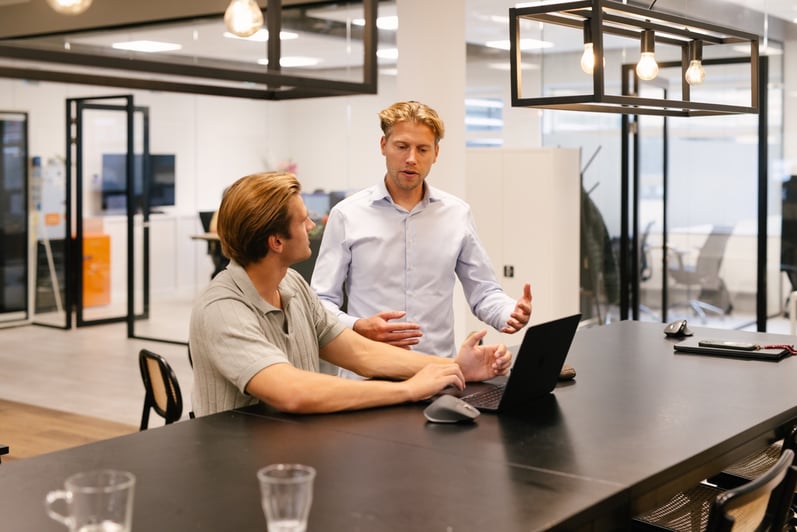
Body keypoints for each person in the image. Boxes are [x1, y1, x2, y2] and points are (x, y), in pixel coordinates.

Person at [189, 171, 511, 416]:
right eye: (303, 221)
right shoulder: (222, 308)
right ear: (276, 241)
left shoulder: (292, 288)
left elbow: (362, 354)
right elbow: (291, 391)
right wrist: (409, 390)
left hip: (289, 455)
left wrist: (451, 368)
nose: (312, 226)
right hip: (237, 477)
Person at [311, 100, 532, 379]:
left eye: (422, 149)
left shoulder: (456, 213)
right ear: (383, 146)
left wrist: (509, 312)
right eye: (402, 146)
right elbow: (320, 303)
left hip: (440, 374)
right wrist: (357, 326)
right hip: (367, 378)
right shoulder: (347, 214)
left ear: (436, 153)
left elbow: (484, 292)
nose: (412, 158)